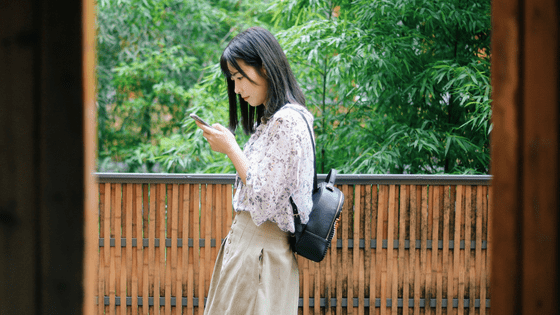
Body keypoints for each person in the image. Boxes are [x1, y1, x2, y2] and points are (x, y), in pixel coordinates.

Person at [193, 26, 315, 315]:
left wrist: (232, 148)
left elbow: (262, 196)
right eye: (232, 79)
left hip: (259, 252)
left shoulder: (287, 121)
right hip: (254, 251)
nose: (236, 89)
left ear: (264, 67)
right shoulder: (274, 120)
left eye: (239, 77)